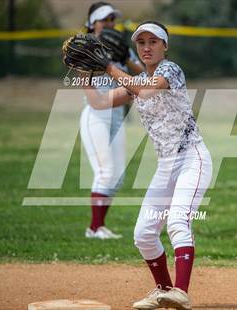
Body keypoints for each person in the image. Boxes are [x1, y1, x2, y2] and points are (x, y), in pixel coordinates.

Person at [82, 21, 213, 310]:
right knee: (143, 233)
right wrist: (85, 74)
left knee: (179, 222)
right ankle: (164, 290)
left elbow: (147, 91)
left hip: (193, 159)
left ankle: (181, 291)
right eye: (141, 43)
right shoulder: (135, 83)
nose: (147, 47)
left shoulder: (170, 70)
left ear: (165, 46)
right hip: (166, 166)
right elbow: (99, 103)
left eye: (153, 41)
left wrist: (108, 68)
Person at [80, 2, 144, 239]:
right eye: (104, 20)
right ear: (92, 24)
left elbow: (144, 74)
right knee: (106, 171)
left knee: (118, 176)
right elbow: (94, 99)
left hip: (118, 116)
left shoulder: (120, 48)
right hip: (96, 116)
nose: (109, 24)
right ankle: (94, 228)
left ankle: (99, 226)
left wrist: (124, 57)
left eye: (111, 20)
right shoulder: (85, 49)